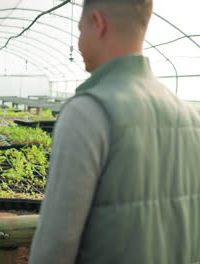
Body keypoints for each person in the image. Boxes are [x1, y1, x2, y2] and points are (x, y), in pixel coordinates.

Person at [29, 0, 200, 263]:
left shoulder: (88, 111)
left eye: (79, 30)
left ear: (98, 23)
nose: (79, 42)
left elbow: (56, 243)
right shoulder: (189, 116)